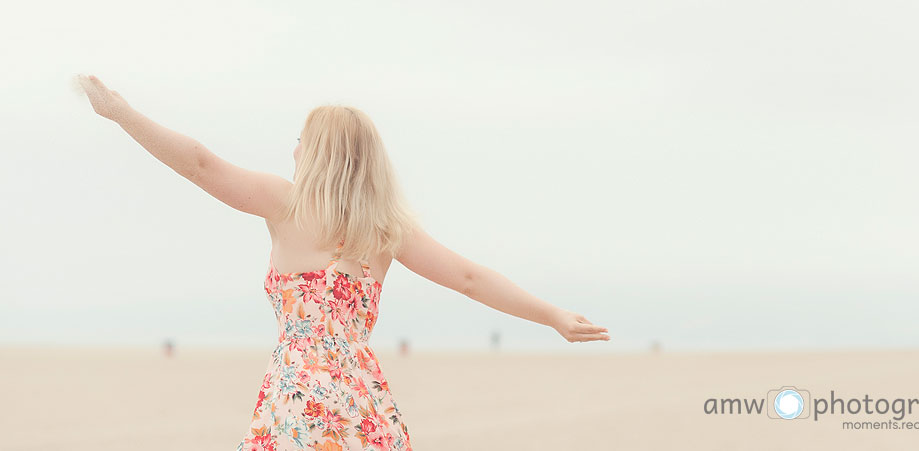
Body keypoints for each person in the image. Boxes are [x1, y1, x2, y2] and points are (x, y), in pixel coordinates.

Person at [76, 74, 611, 450]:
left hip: (299, 395)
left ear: (319, 154)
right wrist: (554, 316)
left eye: (300, 142)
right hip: (362, 398)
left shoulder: (285, 205)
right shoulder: (386, 232)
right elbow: (471, 279)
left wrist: (120, 112)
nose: (292, 152)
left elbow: (199, 164)